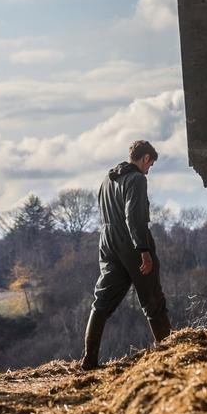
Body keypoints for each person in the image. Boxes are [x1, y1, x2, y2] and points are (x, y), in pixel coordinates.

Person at [82, 140, 172, 370]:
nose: (149, 169)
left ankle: (89, 360)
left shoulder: (107, 179)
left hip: (107, 243)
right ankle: (169, 356)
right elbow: (134, 217)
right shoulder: (137, 180)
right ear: (145, 159)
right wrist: (144, 250)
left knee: (101, 302)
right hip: (131, 243)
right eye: (150, 164)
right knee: (153, 300)